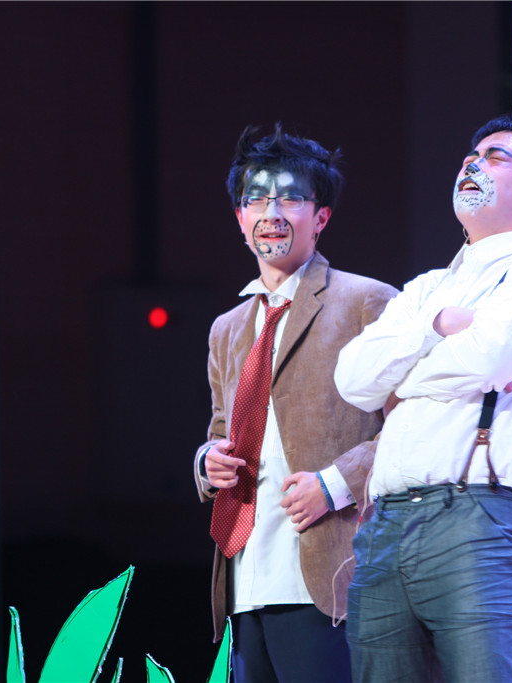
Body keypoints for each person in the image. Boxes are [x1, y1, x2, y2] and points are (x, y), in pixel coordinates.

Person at [334, 109, 512, 683]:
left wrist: (402, 380)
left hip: (481, 516)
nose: (473, 166)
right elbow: (352, 379)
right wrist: (439, 325)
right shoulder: (428, 290)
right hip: (385, 526)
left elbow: (489, 357)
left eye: (496, 158)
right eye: (471, 157)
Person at [193, 123, 398, 683]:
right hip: (246, 573)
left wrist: (335, 484)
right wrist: (208, 462)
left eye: (289, 198)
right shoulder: (227, 328)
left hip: (330, 574)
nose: (271, 212)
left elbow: (411, 426)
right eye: (256, 199)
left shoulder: (367, 302)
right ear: (240, 217)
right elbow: (220, 428)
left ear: (321, 216)